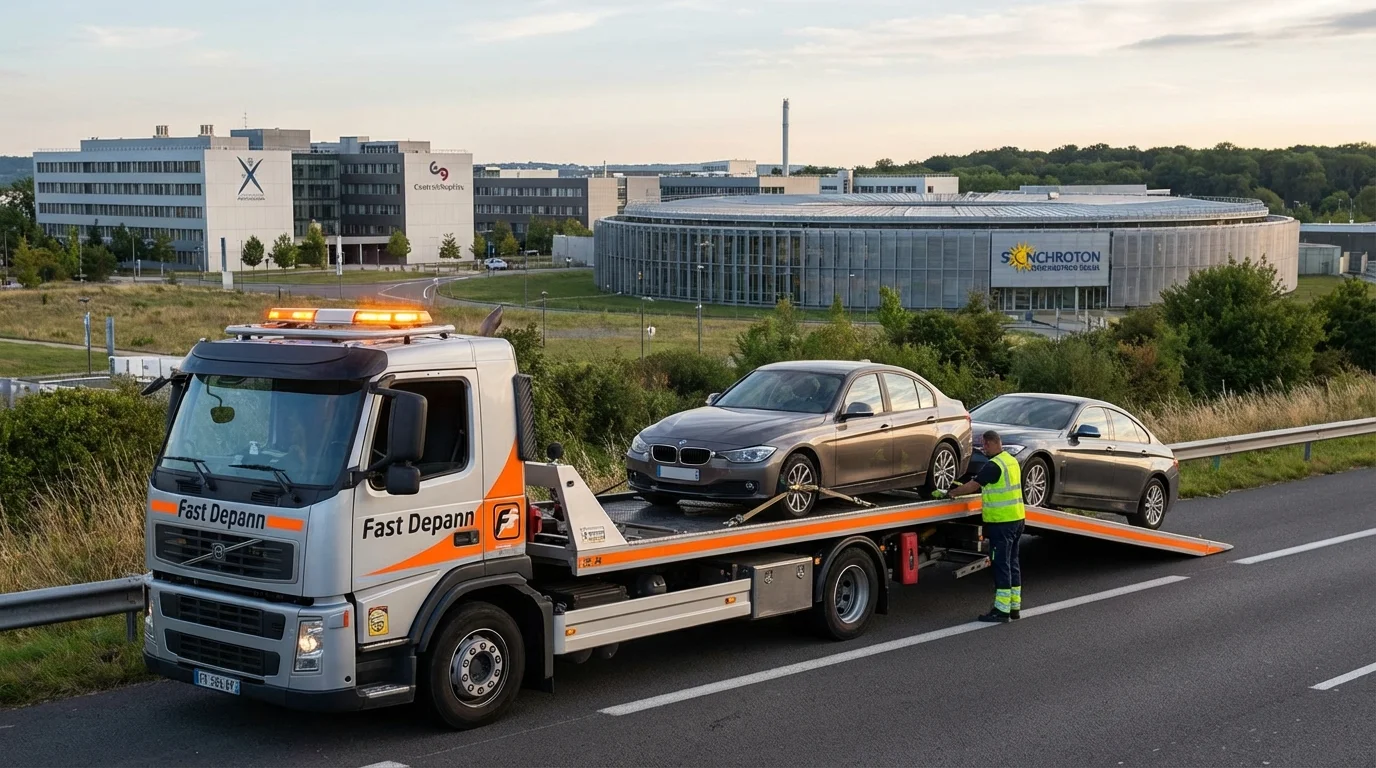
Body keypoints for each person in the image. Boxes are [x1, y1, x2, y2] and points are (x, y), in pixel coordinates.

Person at [931, 430, 1025, 623]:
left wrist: (952, 493)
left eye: (984, 445)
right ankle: (1014, 607)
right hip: (1017, 519)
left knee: (1000, 564)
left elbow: (973, 485)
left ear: (990, 443)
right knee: (1012, 563)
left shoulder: (994, 465)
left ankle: (1001, 610)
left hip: (1001, 523)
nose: (983, 449)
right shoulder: (1011, 461)